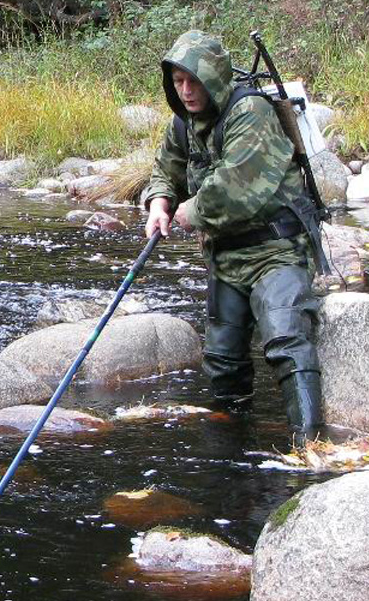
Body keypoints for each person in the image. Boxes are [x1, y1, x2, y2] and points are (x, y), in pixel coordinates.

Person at [141, 30, 327, 446]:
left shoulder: (251, 113)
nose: (186, 91)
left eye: (193, 81)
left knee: (285, 342)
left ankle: (312, 445)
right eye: (178, 82)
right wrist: (159, 201)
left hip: (276, 250)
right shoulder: (183, 122)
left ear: (214, 78)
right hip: (225, 258)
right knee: (223, 362)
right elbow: (165, 169)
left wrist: (188, 212)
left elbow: (233, 187)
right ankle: (232, 453)